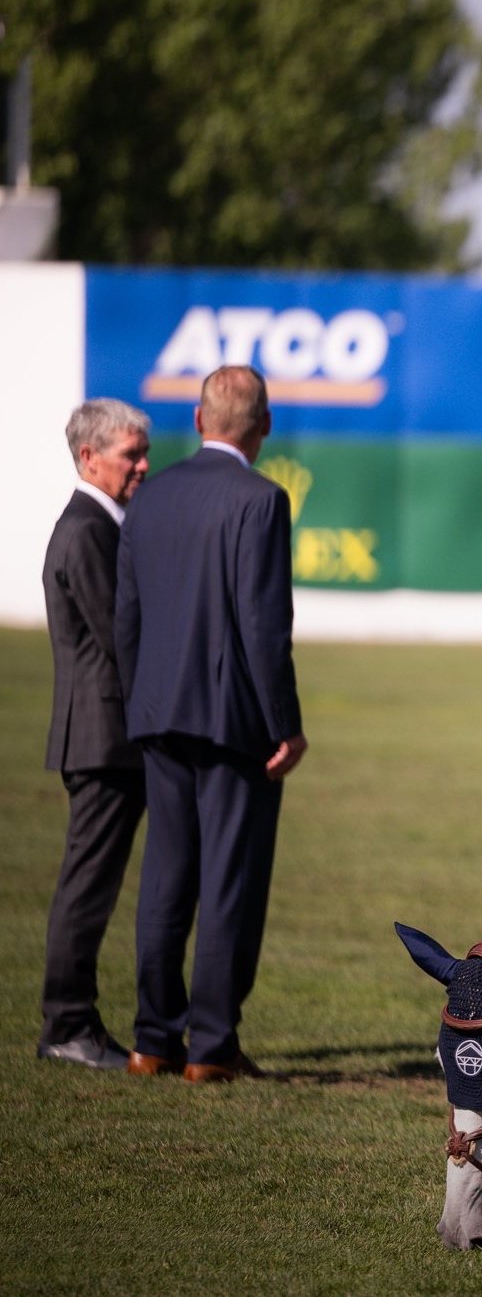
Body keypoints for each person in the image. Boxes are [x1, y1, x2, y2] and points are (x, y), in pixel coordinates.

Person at [116, 365, 307, 1082]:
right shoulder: (263, 499)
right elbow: (265, 627)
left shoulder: (150, 492)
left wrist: (141, 701)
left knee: (165, 876)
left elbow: (125, 616)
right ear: (263, 426)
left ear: (198, 421)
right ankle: (211, 1045)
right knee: (227, 880)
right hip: (234, 725)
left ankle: (150, 1039)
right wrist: (284, 723)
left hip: (159, 715)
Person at [38, 399, 152, 1070]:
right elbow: (121, 640)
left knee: (93, 884)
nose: (143, 465)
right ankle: (67, 1024)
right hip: (102, 740)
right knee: (86, 887)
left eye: (142, 451)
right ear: (90, 457)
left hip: (107, 738)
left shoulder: (103, 524)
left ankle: (72, 1021)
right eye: (130, 455)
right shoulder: (86, 529)